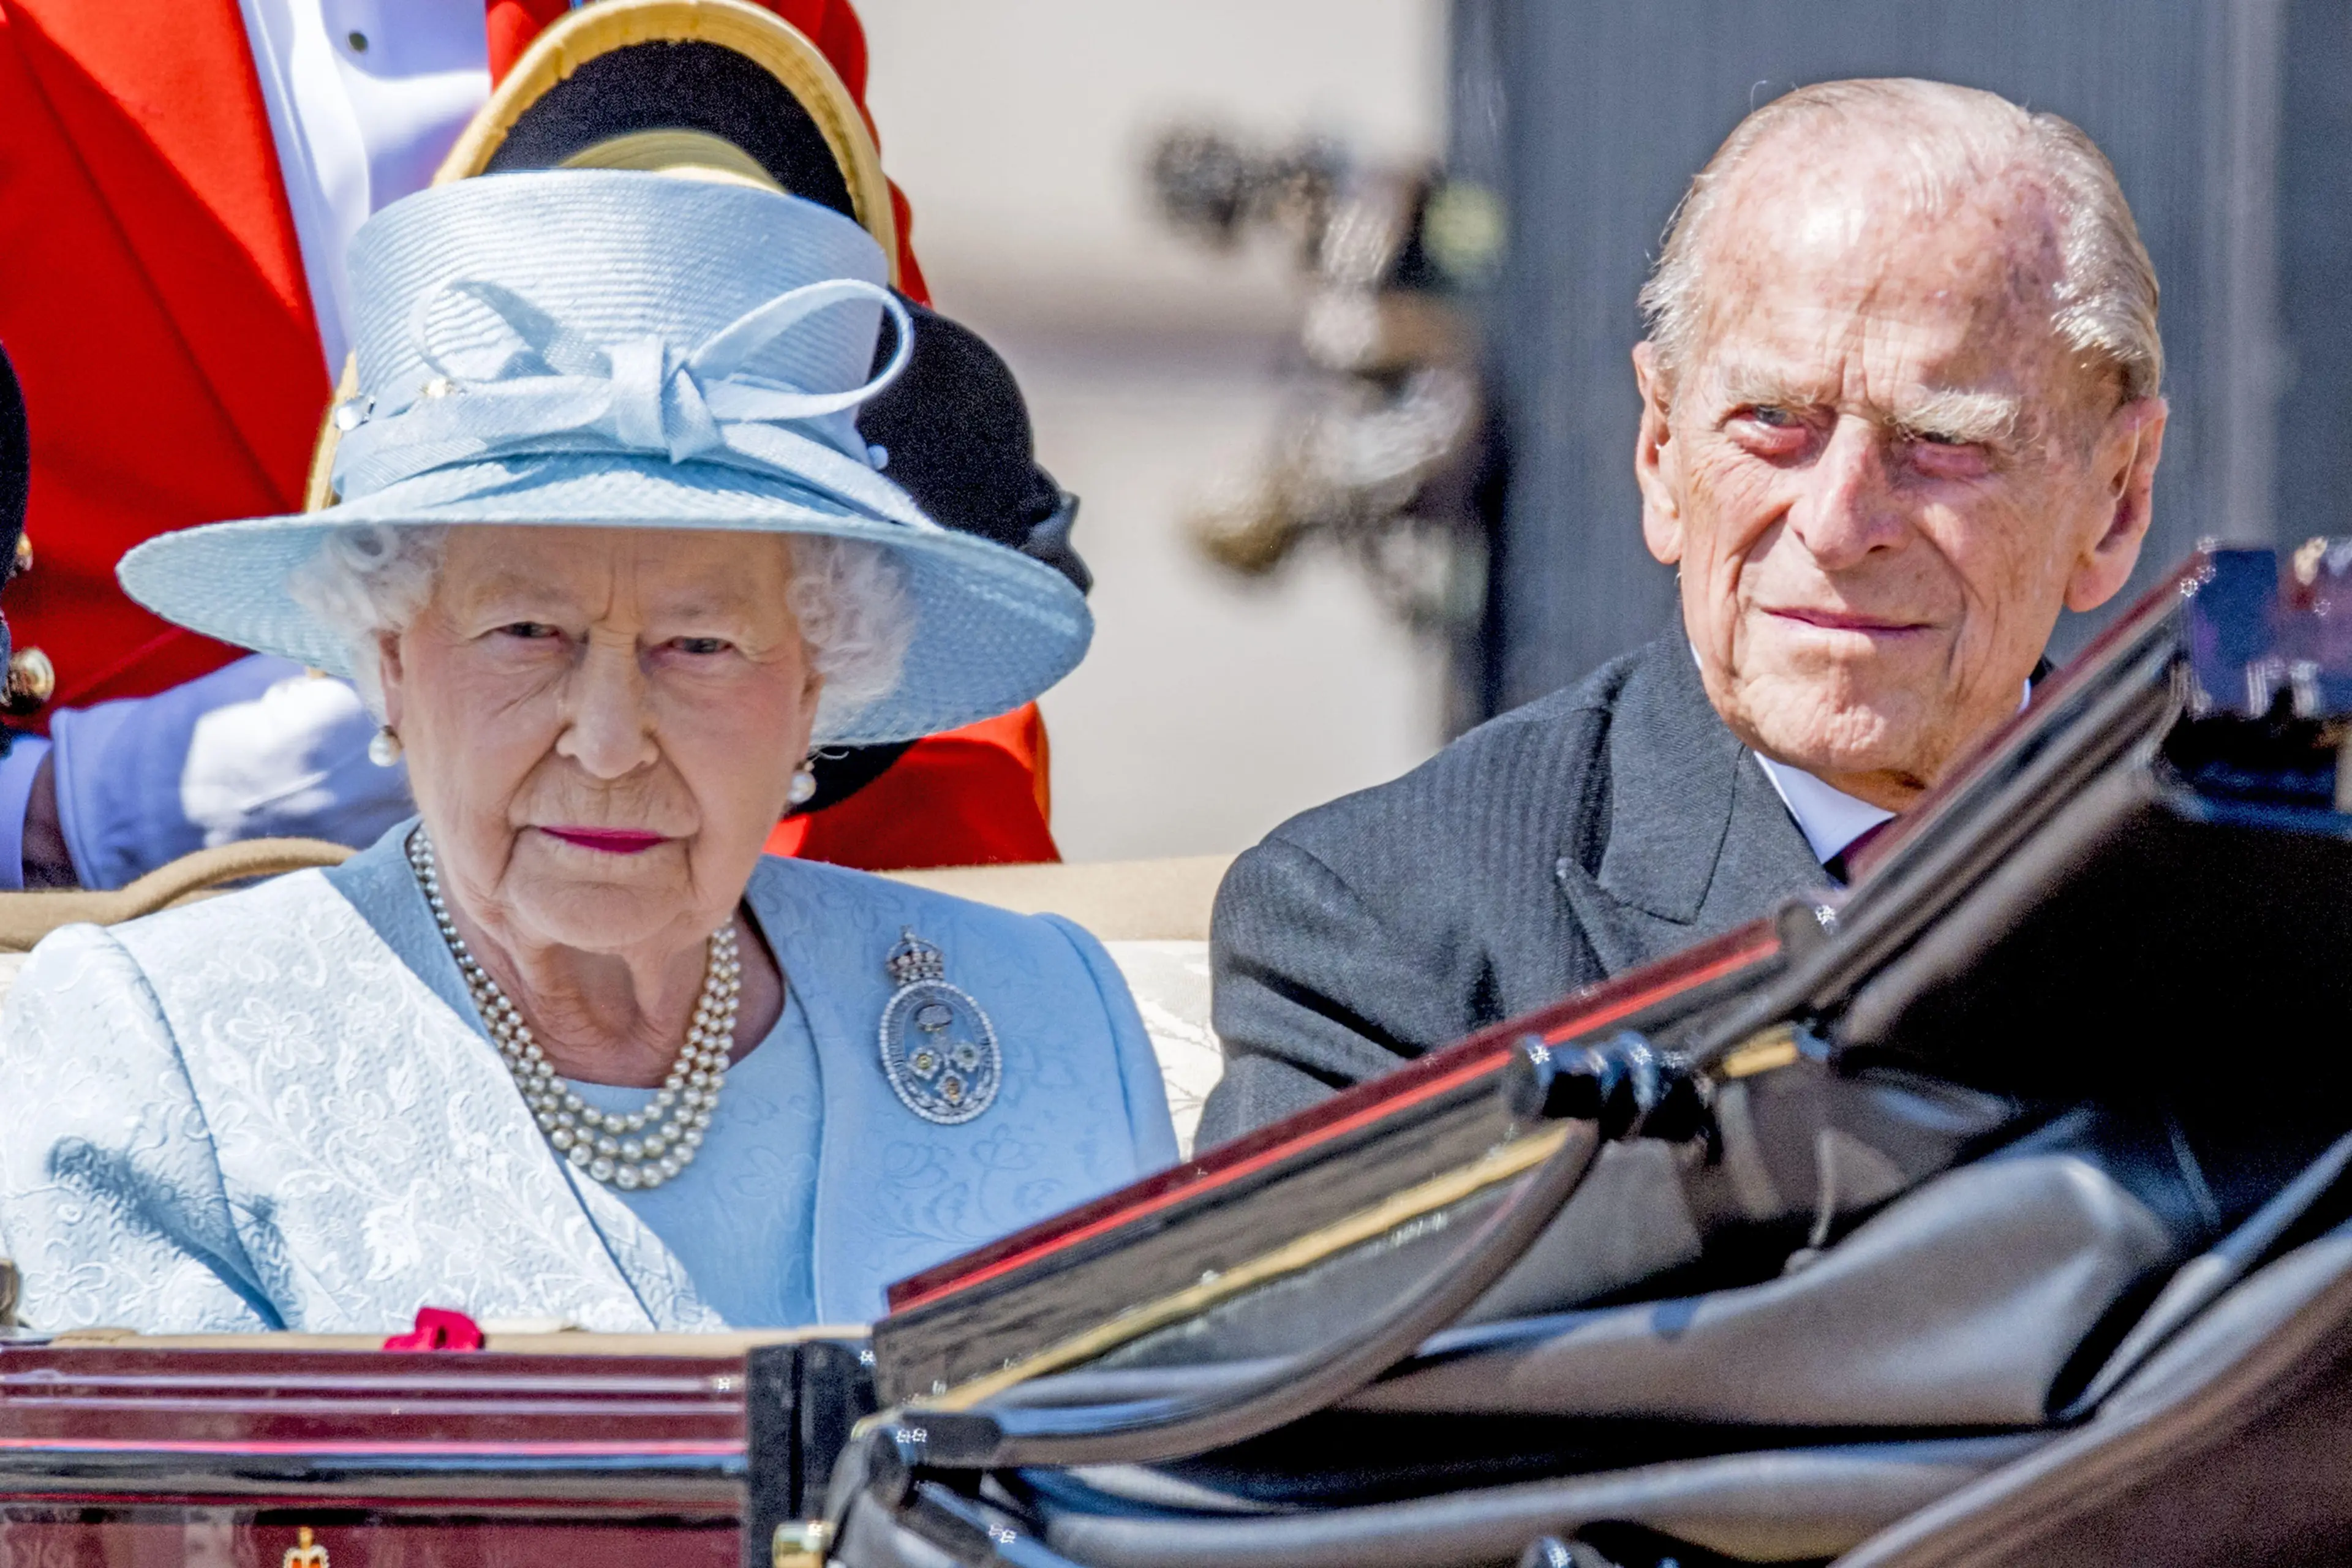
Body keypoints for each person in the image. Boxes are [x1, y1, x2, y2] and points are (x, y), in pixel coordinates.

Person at [0, 167, 1177, 1333]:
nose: (610, 746)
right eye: (528, 633)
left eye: (701, 643)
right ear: (392, 657)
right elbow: (155, 1523)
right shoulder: (162, 1050)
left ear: (817, 680)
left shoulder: (1046, 1018)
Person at [1200, 78, 2168, 1142]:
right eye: (1770, 421)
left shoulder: (2272, 894)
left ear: (2116, 500)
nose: (1839, 525)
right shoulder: (1389, 937)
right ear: (1662, 451)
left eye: (1941, 441)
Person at [0, 0, 1059, 891]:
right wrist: (82, 811)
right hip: (105, 962)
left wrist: (941, 988)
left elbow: (874, 515)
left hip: (679, 938)